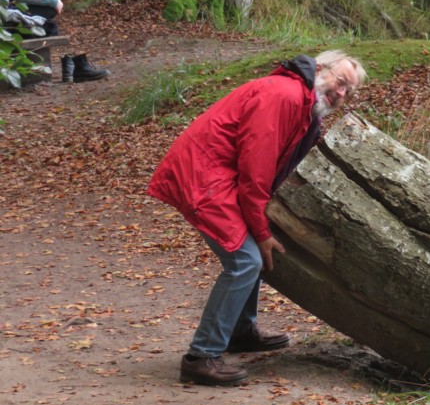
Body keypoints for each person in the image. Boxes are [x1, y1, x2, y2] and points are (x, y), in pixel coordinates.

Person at [147, 50, 367, 386]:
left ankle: (239, 330)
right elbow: (256, 172)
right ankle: (201, 356)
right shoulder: (284, 96)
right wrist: (261, 230)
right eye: (340, 82)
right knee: (246, 260)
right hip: (204, 175)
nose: (340, 94)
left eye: (348, 92)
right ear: (320, 69)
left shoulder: (303, 106)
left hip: (221, 176)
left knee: (255, 250)